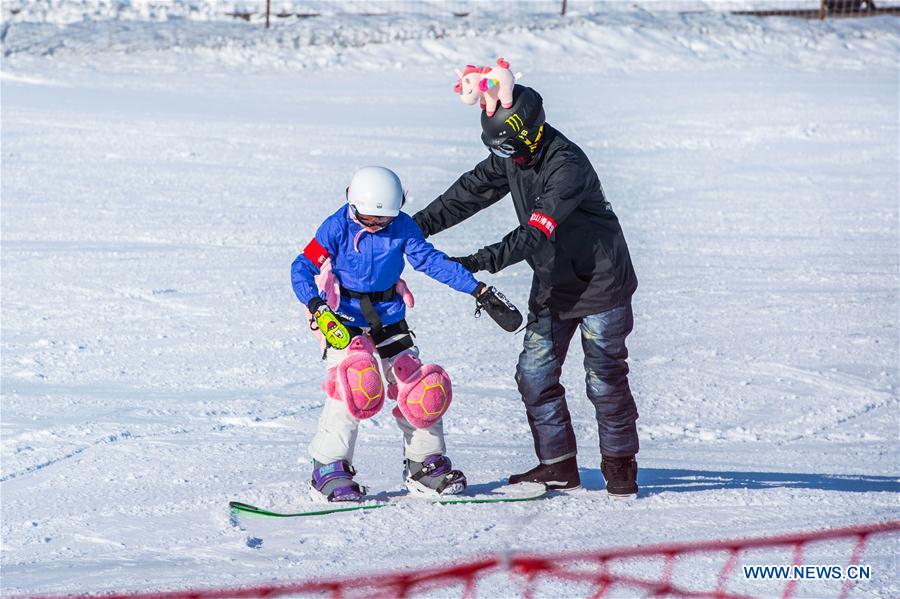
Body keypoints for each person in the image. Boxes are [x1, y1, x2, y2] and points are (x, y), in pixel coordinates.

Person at [412, 85, 641, 497]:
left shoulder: (566, 167)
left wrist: (477, 261)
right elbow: (469, 192)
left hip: (601, 285)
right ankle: (558, 466)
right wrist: (413, 228)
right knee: (534, 376)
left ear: (531, 133)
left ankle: (620, 464)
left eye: (507, 149)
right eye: (496, 150)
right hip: (554, 284)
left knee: (604, 379)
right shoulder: (513, 155)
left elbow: (534, 233)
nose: (503, 159)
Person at [291, 166, 520, 502]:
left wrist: (478, 290)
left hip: (389, 317)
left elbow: (432, 262)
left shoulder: (403, 227)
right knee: (353, 385)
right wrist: (315, 305)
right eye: (366, 219)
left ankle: (424, 465)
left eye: (381, 221)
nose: (374, 226)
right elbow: (302, 266)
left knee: (420, 388)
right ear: (351, 204)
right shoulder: (336, 226)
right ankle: (328, 467)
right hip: (342, 319)